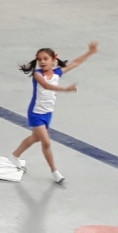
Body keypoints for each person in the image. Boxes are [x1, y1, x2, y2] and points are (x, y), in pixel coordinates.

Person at [11, 42, 98, 184]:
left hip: (48, 113)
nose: (42, 62)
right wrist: (65, 89)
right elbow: (46, 86)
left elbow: (75, 63)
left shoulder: (57, 72)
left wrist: (90, 52)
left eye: (45, 59)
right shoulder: (37, 74)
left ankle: (15, 155)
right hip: (36, 113)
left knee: (35, 138)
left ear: (53, 60)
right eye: (39, 59)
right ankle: (55, 172)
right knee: (46, 142)